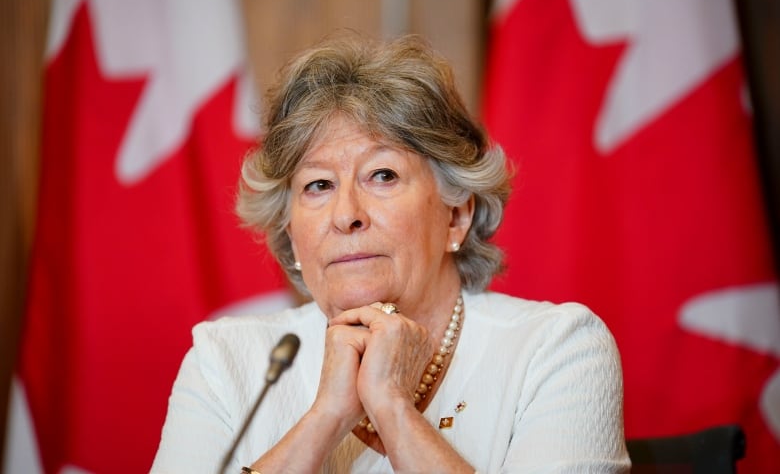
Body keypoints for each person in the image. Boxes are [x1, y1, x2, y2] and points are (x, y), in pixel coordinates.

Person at [151, 34, 631, 473]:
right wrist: (326, 417)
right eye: (318, 185)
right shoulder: (226, 360)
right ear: (292, 236)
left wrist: (392, 406)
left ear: (456, 216)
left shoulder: (556, 350)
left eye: (382, 175)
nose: (347, 215)